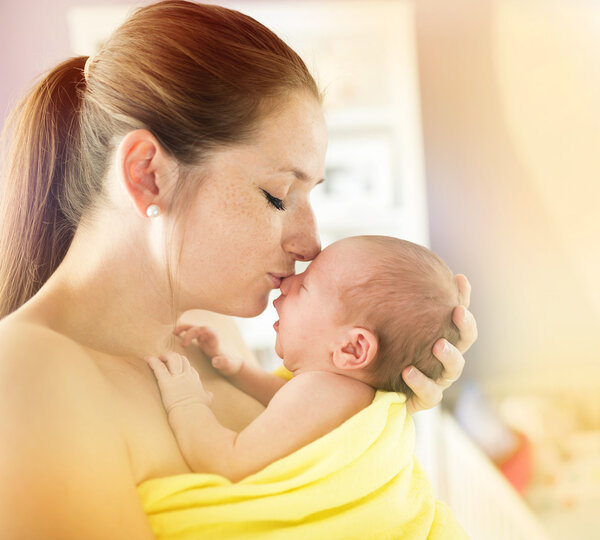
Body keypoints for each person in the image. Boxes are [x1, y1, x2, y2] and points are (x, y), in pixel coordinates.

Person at [0, 1, 477, 538]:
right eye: (277, 196)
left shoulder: (210, 331)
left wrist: (373, 410)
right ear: (147, 175)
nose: (310, 243)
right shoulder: (28, 379)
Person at [145, 235, 461, 482]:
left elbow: (228, 462)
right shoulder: (345, 394)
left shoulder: (329, 395)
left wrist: (186, 402)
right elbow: (288, 406)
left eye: (305, 286)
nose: (287, 282)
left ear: (352, 349)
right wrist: (238, 369)